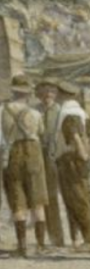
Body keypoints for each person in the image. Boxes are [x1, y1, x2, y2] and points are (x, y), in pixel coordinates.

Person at [1, 76, 49, 256]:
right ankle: (40, 245)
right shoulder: (36, 114)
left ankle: (22, 246)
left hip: (13, 153)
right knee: (37, 201)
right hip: (34, 153)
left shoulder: (2, 111)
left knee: (17, 201)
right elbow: (42, 133)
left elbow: (3, 135)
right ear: (28, 94)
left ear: (13, 92)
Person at [53, 80, 90, 252]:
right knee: (79, 200)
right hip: (79, 161)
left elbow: (75, 138)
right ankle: (82, 239)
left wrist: (82, 155)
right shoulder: (82, 113)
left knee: (78, 201)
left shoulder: (67, 114)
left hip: (70, 161)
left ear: (63, 95)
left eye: (58, 93)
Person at [35, 80, 65, 247]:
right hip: (36, 155)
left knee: (52, 197)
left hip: (53, 157)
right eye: (45, 93)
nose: (48, 96)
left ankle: (56, 238)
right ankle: (40, 240)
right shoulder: (35, 110)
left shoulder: (60, 112)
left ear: (55, 95)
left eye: (51, 93)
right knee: (38, 197)